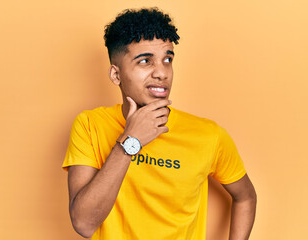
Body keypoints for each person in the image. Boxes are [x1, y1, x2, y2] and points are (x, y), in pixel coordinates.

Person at [62, 7, 257, 240]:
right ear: (116, 75)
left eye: (167, 60)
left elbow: (245, 197)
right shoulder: (90, 125)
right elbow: (83, 223)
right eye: (145, 61)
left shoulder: (209, 135)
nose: (162, 73)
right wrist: (131, 141)